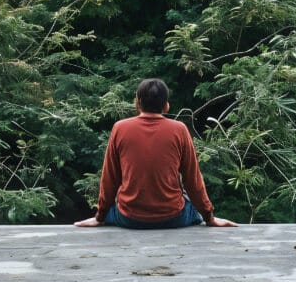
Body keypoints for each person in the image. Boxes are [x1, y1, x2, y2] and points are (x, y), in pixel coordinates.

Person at [75, 78, 237, 228]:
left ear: (137, 102)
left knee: (114, 210)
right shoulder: (179, 129)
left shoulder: (120, 128)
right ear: (166, 105)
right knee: (193, 209)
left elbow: (110, 177)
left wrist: (100, 216)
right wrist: (209, 217)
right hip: (173, 218)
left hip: (129, 218)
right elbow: (192, 179)